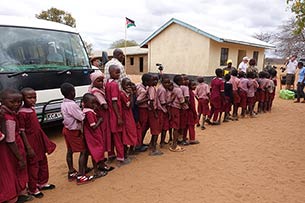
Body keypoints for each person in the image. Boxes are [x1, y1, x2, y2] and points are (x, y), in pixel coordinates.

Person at [18, 88, 56, 198]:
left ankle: (42, 182)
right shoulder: (22, 113)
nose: (33, 100)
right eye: (29, 98)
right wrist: (28, 147)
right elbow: (22, 131)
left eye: (34, 97)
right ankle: (33, 188)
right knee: (33, 165)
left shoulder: (32, 109)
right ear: (23, 99)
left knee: (43, 161)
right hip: (30, 142)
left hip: (38, 141)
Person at [0, 89, 34, 203]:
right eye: (12, 102)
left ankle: (18, 193)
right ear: (2, 101)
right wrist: (19, 157)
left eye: (19, 102)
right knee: (10, 172)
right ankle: (11, 197)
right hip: (10, 151)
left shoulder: (8, 114)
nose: (16, 104)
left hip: (12, 149)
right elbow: (10, 140)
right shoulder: (8, 118)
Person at [60, 83, 94, 184]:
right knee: (83, 151)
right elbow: (81, 117)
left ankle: (71, 171)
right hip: (74, 131)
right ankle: (81, 175)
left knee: (70, 150)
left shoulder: (64, 103)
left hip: (66, 129)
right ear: (72, 92)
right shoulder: (72, 105)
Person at [105, 65, 131, 166]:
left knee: (112, 137)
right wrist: (119, 117)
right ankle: (121, 158)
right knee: (118, 138)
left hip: (110, 114)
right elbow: (114, 102)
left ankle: (111, 155)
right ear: (110, 73)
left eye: (119, 72)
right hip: (115, 115)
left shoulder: (108, 83)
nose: (119, 75)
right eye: (117, 73)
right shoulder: (114, 85)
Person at [82, 93, 108, 178]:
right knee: (95, 152)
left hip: (93, 135)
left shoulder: (87, 111)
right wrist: (100, 120)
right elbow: (93, 126)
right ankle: (96, 171)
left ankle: (99, 167)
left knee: (97, 151)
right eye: (92, 103)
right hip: (93, 136)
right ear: (85, 103)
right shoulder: (89, 113)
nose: (94, 105)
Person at [88, 70, 112, 160]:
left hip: (103, 115)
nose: (102, 83)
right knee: (104, 134)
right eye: (99, 81)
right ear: (93, 82)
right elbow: (104, 105)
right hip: (102, 115)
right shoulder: (96, 92)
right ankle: (101, 156)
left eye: (102, 80)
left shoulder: (101, 89)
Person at [120, 78, 138, 156]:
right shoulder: (122, 94)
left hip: (129, 114)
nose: (129, 87)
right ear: (122, 86)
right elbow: (129, 106)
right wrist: (131, 95)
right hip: (125, 114)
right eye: (127, 85)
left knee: (132, 130)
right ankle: (126, 150)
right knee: (127, 131)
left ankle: (131, 148)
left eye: (130, 85)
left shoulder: (127, 94)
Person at [147, 75, 163, 155]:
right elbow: (151, 102)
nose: (155, 82)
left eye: (156, 80)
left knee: (155, 129)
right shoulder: (152, 89)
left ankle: (151, 145)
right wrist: (155, 113)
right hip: (153, 111)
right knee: (156, 130)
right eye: (153, 80)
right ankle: (154, 149)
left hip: (153, 111)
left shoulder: (152, 88)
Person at [168, 75, 185, 152]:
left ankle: (172, 141)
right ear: (179, 81)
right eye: (182, 80)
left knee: (173, 125)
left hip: (171, 108)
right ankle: (174, 145)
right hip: (176, 108)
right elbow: (181, 100)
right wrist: (184, 106)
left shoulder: (172, 88)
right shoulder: (178, 89)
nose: (184, 81)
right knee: (176, 127)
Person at [136, 74, 151, 152]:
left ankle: (140, 142)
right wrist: (148, 98)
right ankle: (138, 144)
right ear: (146, 82)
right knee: (142, 127)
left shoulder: (138, 85)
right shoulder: (143, 91)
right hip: (142, 109)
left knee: (143, 126)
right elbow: (137, 101)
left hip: (141, 110)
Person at [184, 80, 200, 144]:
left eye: (195, 85)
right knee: (191, 125)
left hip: (186, 111)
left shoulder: (187, 92)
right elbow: (192, 105)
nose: (195, 86)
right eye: (193, 85)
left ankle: (184, 137)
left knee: (186, 126)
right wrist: (195, 113)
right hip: (190, 112)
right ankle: (192, 139)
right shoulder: (190, 93)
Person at [157, 75, 171, 148]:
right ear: (162, 82)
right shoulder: (162, 90)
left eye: (168, 83)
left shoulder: (163, 89)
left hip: (163, 110)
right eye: (166, 83)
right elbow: (163, 103)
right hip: (162, 110)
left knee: (164, 127)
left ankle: (162, 141)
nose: (167, 84)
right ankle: (161, 142)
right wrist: (171, 100)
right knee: (163, 127)